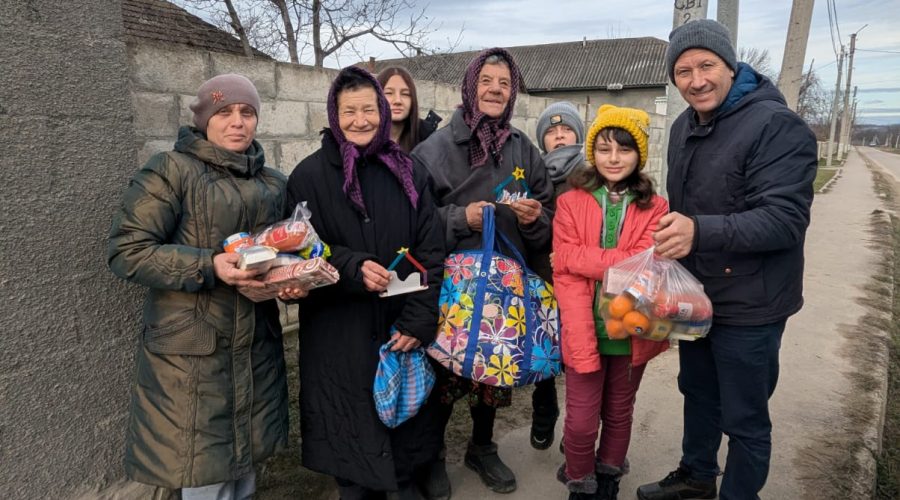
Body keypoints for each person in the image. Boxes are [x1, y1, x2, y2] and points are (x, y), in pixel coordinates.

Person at [637, 19, 817, 500]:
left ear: (730, 65)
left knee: (744, 415)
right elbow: (684, 205)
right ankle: (697, 477)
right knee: (697, 395)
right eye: (682, 71)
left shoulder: (776, 125)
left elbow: (784, 220)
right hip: (696, 297)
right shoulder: (682, 126)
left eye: (706, 65)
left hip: (752, 304)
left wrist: (699, 231)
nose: (696, 80)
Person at [108, 74, 300, 500]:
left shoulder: (274, 182)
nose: (237, 122)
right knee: (205, 475)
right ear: (203, 120)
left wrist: (291, 282)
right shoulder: (170, 170)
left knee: (247, 468)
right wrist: (209, 265)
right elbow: (128, 251)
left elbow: (287, 250)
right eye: (224, 112)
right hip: (192, 355)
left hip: (255, 345)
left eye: (246, 112)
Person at [285, 66, 445, 500]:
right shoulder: (309, 177)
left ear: (381, 110)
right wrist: (352, 266)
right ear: (334, 115)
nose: (360, 120)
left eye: (368, 109)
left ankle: (404, 484)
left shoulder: (410, 171)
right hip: (339, 330)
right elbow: (299, 250)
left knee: (404, 428)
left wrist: (418, 319)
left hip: (400, 325)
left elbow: (431, 248)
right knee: (349, 431)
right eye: (349, 110)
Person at [412, 47, 555, 498]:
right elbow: (411, 221)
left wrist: (534, 219)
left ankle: (481, 446)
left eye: (505, 83)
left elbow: (548, 215)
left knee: (492, 372)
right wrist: (460, 220)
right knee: (442, 370)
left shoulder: (521, 148)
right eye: (487, 81)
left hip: (504, 285)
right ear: (470, 87)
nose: (495, 89)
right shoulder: (434, 149)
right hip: (451, 282)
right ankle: (432, 455)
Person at [553, 105, 669, 500]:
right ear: (593, 153)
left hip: (632, 327)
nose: (614, 158)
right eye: (604, 149)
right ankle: (579, 480)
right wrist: (576, 260)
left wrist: (577, 256)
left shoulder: (656, 207)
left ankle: (608, 478)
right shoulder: (570, 202)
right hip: (584, 327)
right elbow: (564, 272)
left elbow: (644, 266)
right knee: (582, 421)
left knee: (619, 413)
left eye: (624, 149)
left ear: (639, 154)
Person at [527, 100, 587, 451]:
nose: (559, 136)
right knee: (545, 354)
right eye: (551, 131)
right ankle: (544, 411)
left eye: (566, 130)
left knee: (579, 359)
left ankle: (577, 429)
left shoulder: (592, 175)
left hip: (581, 282)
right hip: (541, 277)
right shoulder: (533, 175)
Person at [376, 66, 443, 153]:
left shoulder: (428, 141)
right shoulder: (362, 141)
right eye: (389, 93)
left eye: (405, 94)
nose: (398, 101)